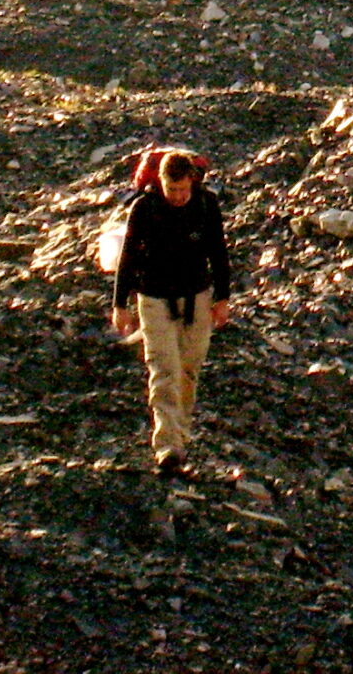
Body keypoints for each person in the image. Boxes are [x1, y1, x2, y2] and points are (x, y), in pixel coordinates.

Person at [109, 150, 234, 474]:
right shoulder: (145, 208)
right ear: (161, 182)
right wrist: (120, 304)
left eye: (182, 190)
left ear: (192, 181)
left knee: (188, 371)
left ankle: (179, 435)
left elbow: (218, 253)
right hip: (154, 301)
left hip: (197, 298)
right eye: (171, 190)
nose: (177, 197)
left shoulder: (205, 206)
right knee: (164, 370)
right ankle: (168, 449)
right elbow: (128, 258)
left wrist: (223, 298)